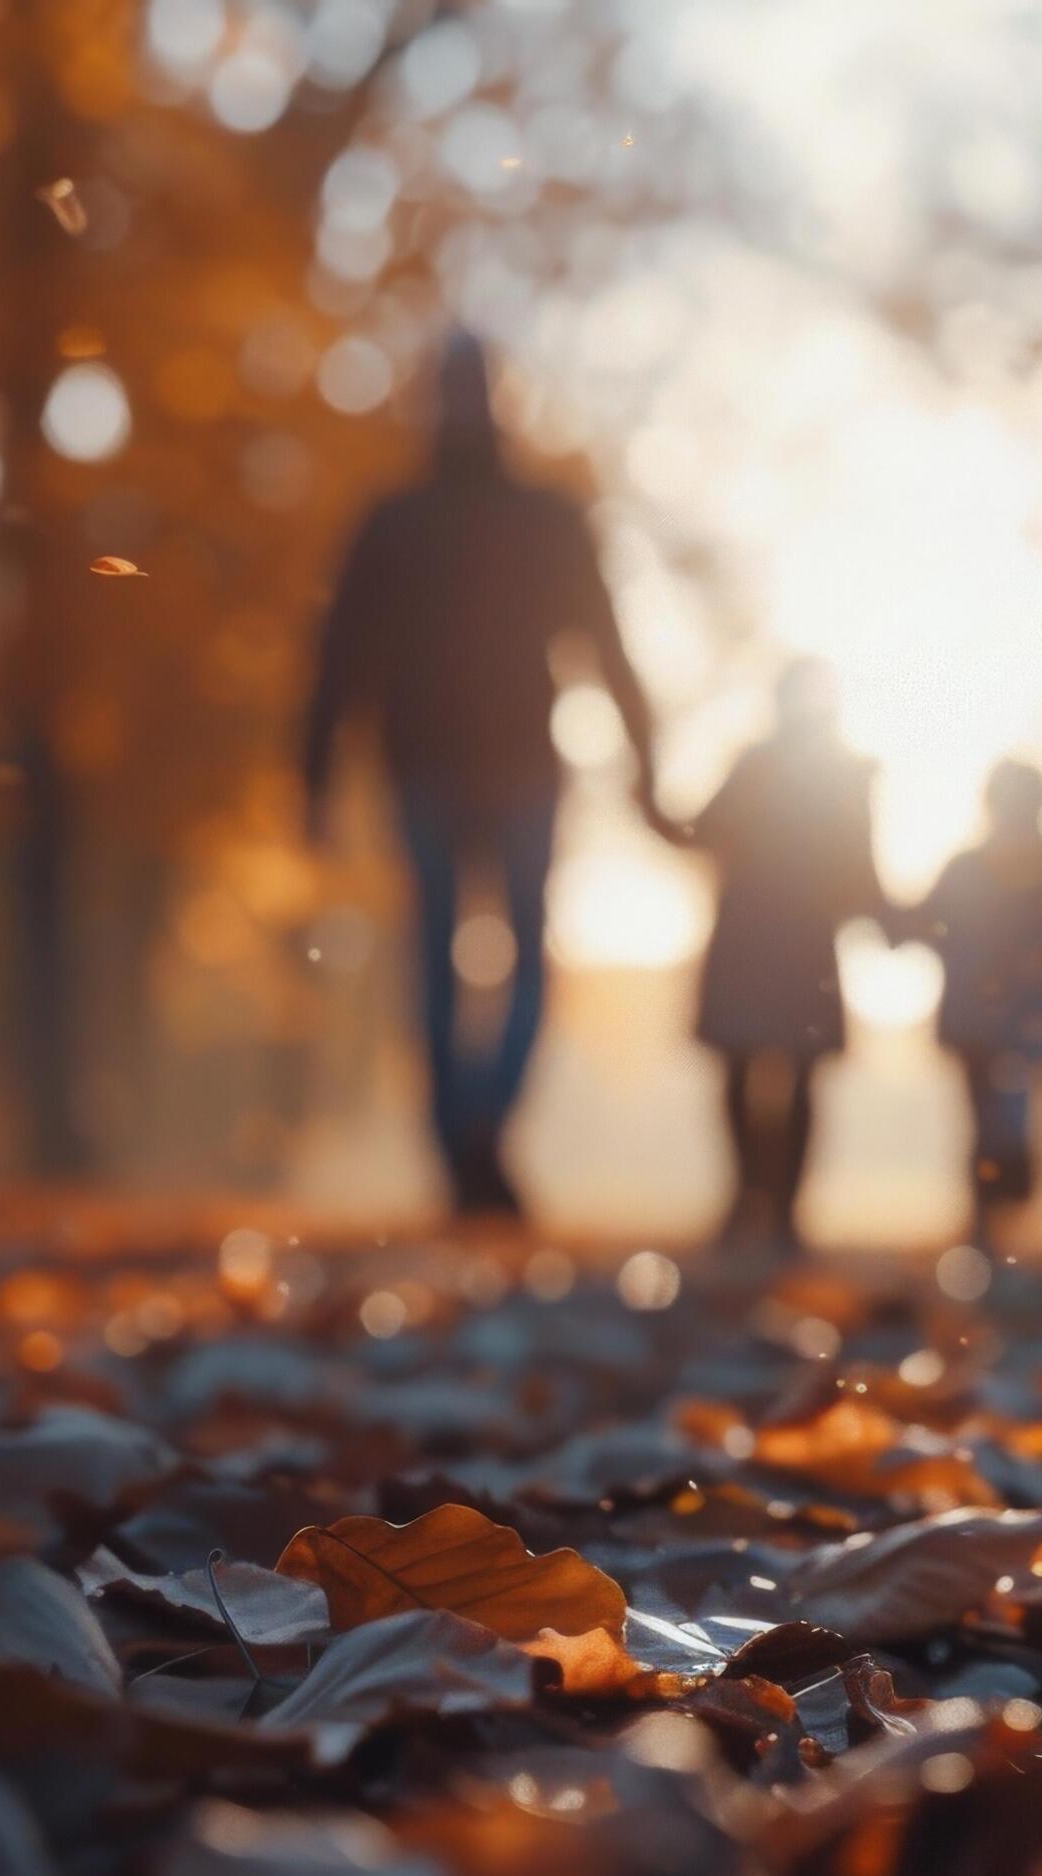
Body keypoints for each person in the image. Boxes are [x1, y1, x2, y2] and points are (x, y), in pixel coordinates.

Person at [301, 330, 664, 1215]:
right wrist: (644, 762)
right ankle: (478, 1134)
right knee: (505, 965)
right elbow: (603, 645)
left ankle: (467, 1136)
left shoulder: (401, 519)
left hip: (442, 767)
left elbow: (339, 655)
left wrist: (312, 774)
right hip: (491, 770)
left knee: (443, 966)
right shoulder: (537, 517)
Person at [687, 660, 884, 1245]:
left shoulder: (780, 768)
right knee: (773, 1072)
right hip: (785, 942)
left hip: (771, 940)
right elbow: (861, 873)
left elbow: (703, 831)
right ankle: (766, 1205)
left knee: (765, 1072)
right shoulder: (822, 772)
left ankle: (764, 1204)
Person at [902, 761, 1042, 1237]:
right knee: (999, 1117)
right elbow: (931, 924)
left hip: (1006, 1017)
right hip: (1002, 1020)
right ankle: (992, 1213)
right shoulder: (1024, 870)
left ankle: (1000, 1211)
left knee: (1008, 1117)